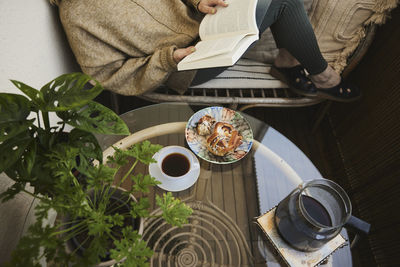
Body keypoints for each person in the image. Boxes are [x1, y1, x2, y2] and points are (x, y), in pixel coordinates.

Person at [53, 0, 360, 102]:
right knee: (283, 1)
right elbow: (105, 75)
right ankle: (322, 77)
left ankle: (289, 61)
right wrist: (168, 58)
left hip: (208, 25)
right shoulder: (76, 15)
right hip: (187, 63)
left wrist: (198, 1)